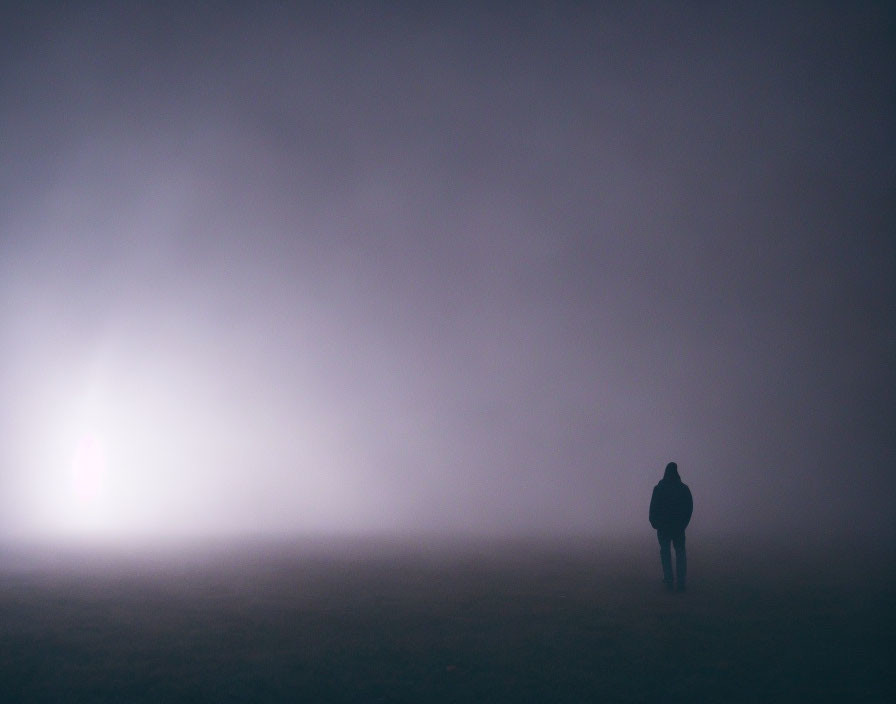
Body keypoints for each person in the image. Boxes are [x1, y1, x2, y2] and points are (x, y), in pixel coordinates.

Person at [649, 461, 693, 592]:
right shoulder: (683, 489)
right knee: (680, 552)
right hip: (678, 527)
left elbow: (653, 507)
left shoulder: (659, 488)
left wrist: (654, 522)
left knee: (665, 552)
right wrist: (684, 524)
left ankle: (668, 579)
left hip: (663, 527)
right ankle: (681, 582)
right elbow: (689, 508)